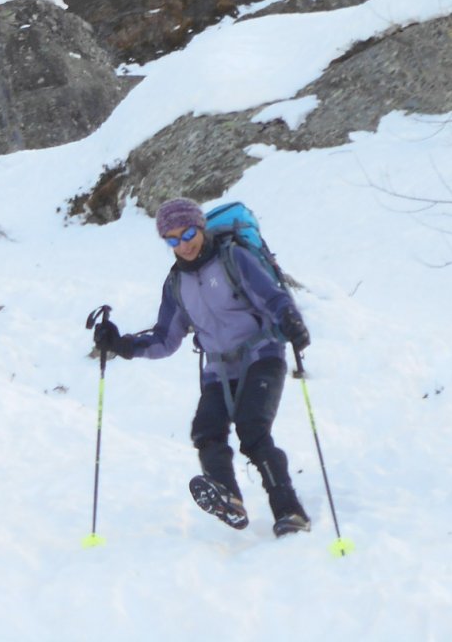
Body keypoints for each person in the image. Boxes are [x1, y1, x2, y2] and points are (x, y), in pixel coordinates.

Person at [93, 197, 313, 536]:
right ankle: (229, 499)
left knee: (253, 430)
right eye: (172, 240)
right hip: (218, 370)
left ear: (200, 227)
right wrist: (120, 344)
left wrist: (290, 320)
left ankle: (290, 512)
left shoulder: (234, 259)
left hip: (262, 355)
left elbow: (273, 298)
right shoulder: (176, 284)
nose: (183, 245)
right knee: (206, 432)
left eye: (188, 234)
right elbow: (165, 338)